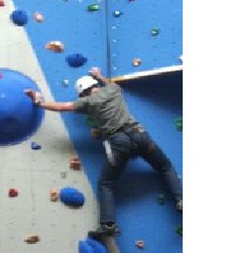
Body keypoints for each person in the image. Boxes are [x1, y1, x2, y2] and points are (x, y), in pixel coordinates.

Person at [25, 66, 182, 239]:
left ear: (82, 93)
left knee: (106, 183)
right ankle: (181, 199)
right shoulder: (114, 89)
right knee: (165, 166)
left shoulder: (87, 102)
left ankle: (108, 225)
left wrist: (39, 103)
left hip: (119, 144)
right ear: (95, 85)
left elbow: (63, 107)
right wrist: (99, 75)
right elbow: (108, 82)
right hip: (139, 134)